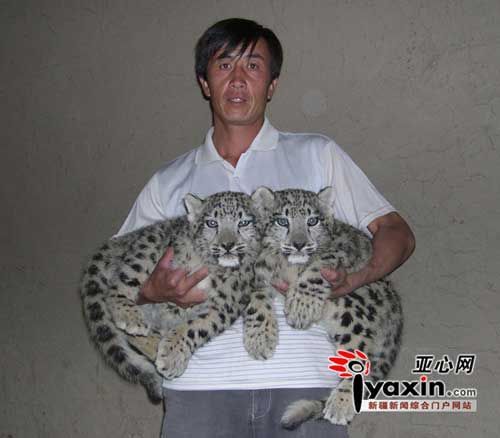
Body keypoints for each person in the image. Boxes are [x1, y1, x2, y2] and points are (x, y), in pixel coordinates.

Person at [117, 18, 415, 438]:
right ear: (205, 82)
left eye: (253, 66)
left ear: (272, 84)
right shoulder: (169, 182)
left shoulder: (317, 154)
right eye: (224, 65)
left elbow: (396, 232)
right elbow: (118, 284)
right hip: (199, 390)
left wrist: (356, 278)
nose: (238, 79)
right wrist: (153, 291)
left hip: (305, 379)